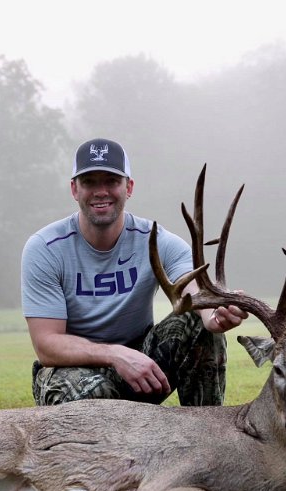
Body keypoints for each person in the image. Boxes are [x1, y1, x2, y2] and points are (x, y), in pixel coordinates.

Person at [21, 138, 247, 406]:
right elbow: (47, 344)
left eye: (112, 181)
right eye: (89, 182)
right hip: (74, 371)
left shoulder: (156, 240)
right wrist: (115, 354)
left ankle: (207, 437)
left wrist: (213, 316)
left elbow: (193, 290)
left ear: (129, 187)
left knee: (199, 326)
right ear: (74, 189)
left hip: (141, 368)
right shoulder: (45, 248)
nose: (100, 191)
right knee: (93, 394)